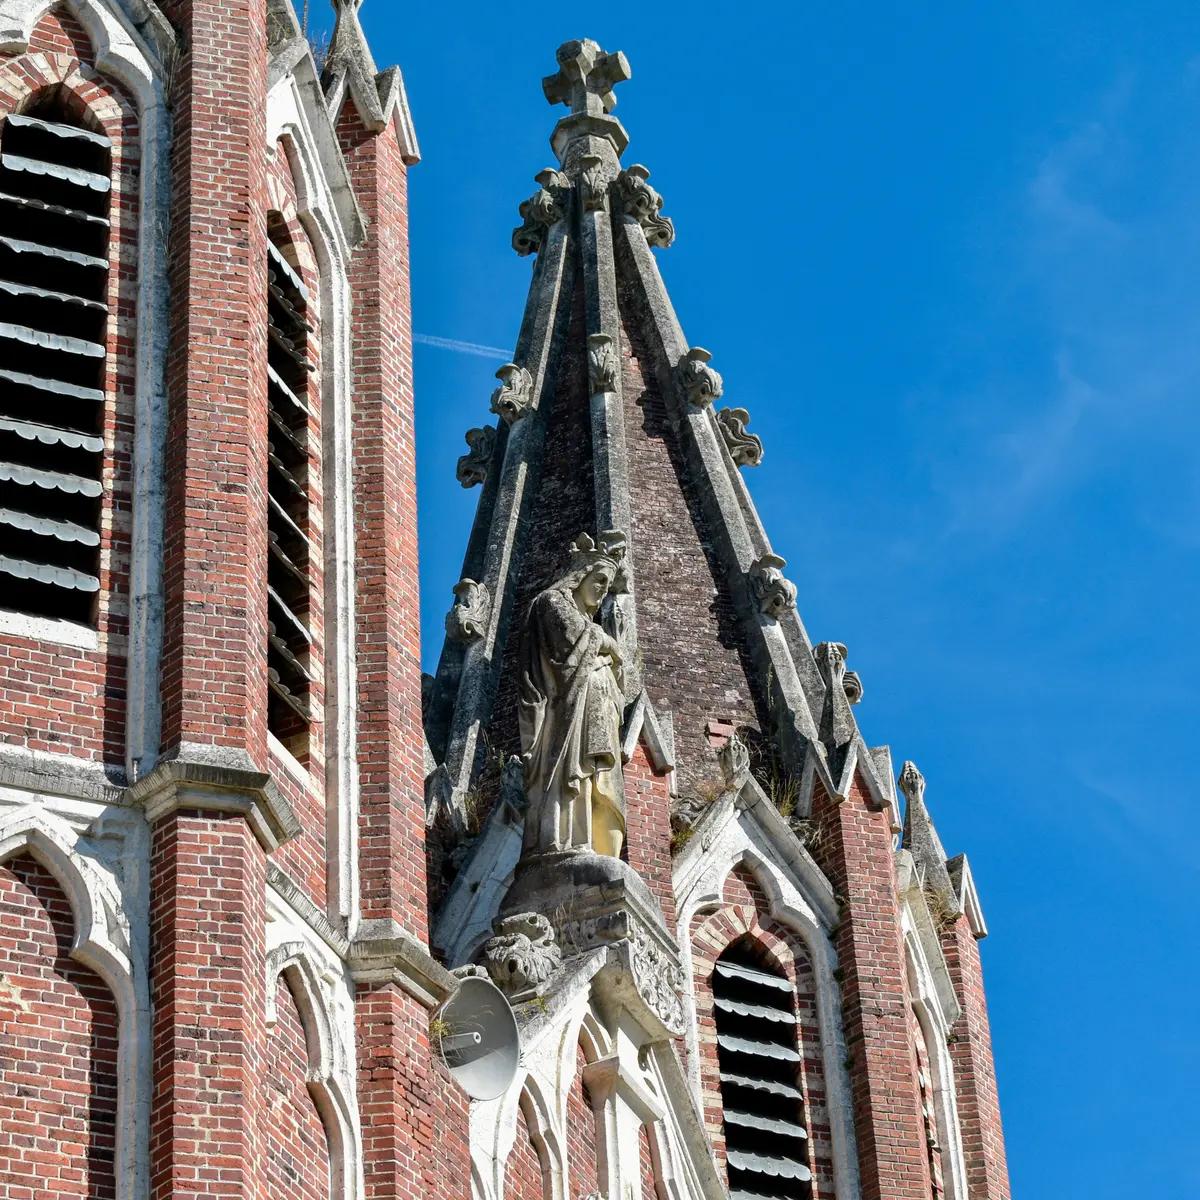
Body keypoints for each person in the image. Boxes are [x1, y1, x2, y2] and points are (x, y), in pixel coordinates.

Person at [518, 532, 627, 858]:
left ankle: (587, 842)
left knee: (594, 784)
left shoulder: (582, 618)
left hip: (591, 714)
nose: (602, 590)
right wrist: (606, 643)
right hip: (567, 719)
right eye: (599, 580)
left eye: (607, 585)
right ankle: (564, 841)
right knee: (571, 779)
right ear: (580, 576)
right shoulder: (551, 603)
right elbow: (570, 652)